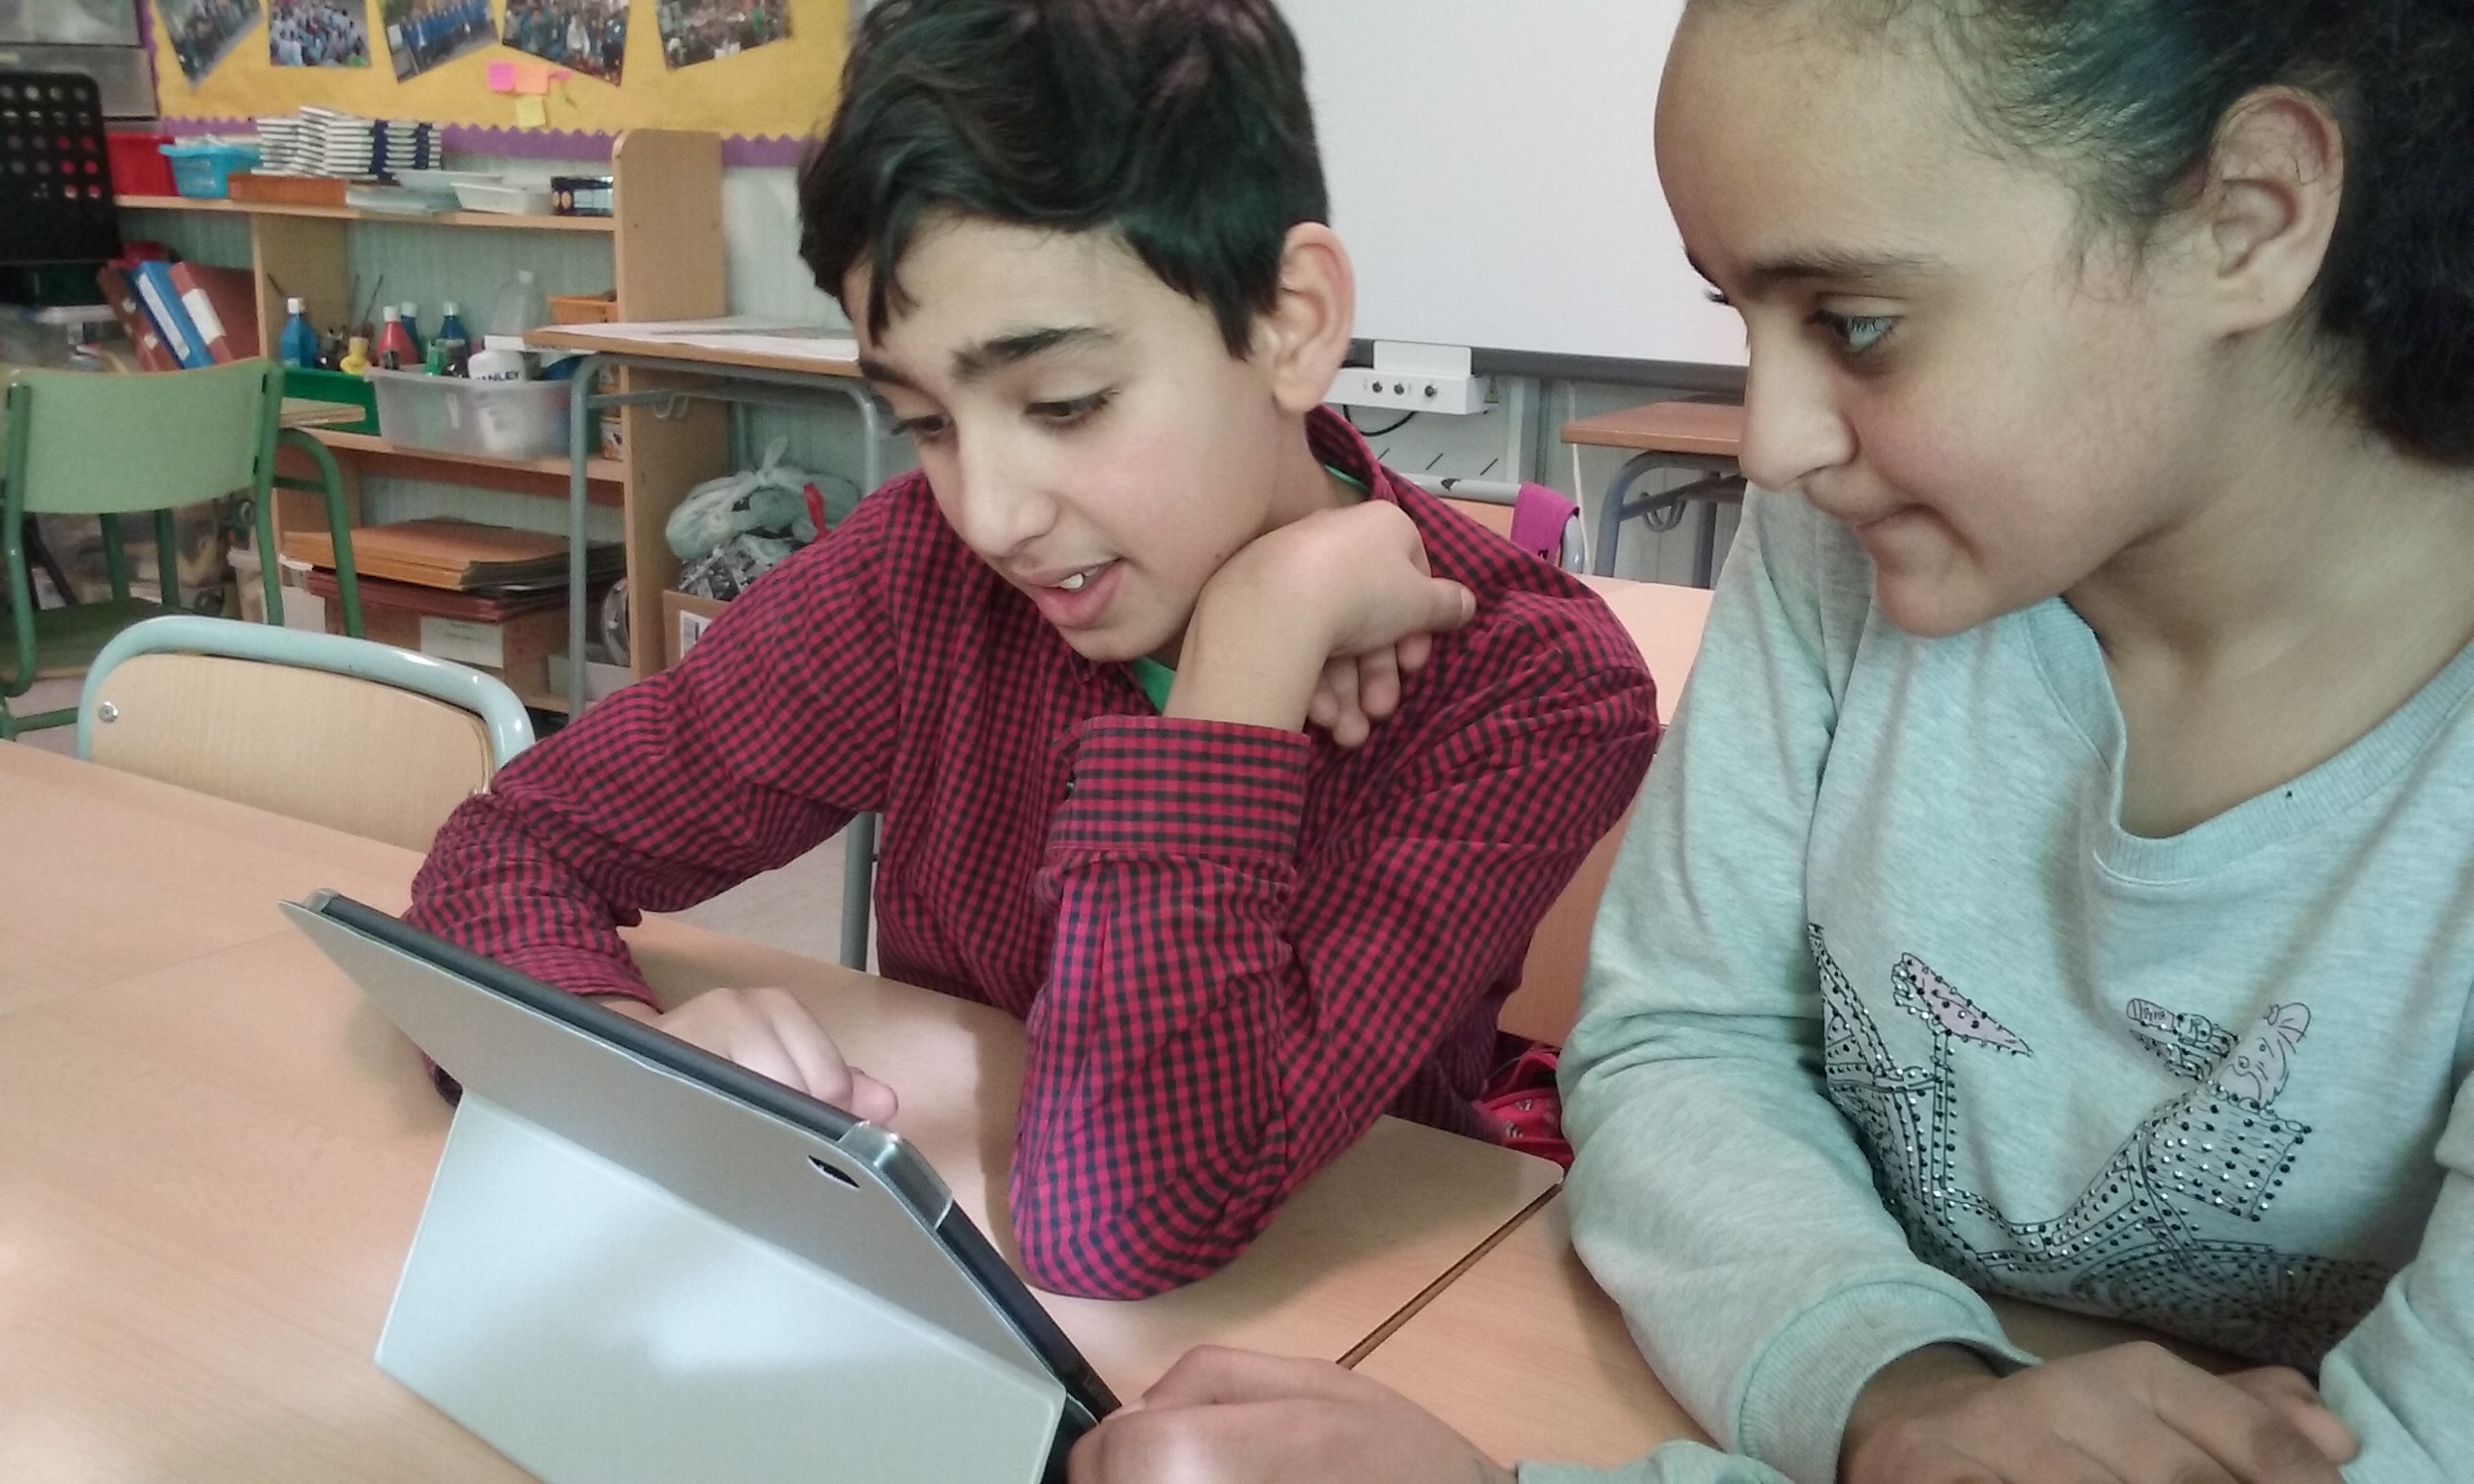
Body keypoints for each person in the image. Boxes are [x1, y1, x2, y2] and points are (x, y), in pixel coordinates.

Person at [1064, 0, 2474, 1479]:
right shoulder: (1839, 549)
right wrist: (1906, 1402)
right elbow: (1681, 1039)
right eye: (1740, 317)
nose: (1772, 445)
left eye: (1856, 324)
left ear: (2249, 215)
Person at [406, 0, 1656, 1303]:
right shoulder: (921, 572)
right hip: (932, 1288)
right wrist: (619, 1051)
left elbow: (1118, 1216)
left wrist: (1246, 659)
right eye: (927, 422)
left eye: (1064, 404)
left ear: (1290, 322)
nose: (992, 515)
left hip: (1335, 1320)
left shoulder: (1532, 687)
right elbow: (516, 844)